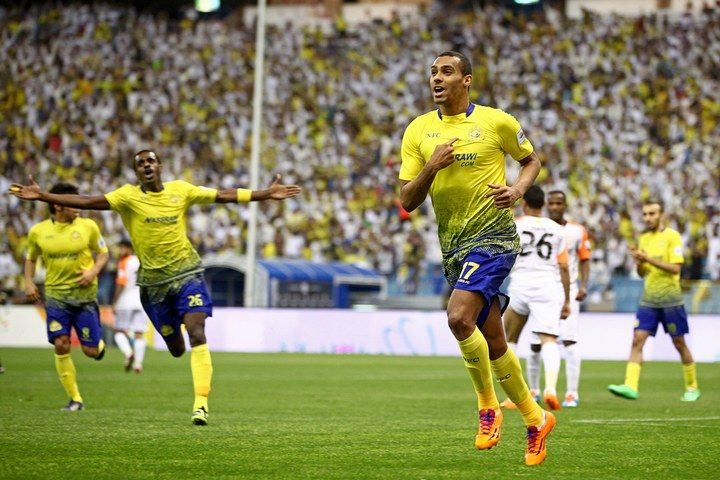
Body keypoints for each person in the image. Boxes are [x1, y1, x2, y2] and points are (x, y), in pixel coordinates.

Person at [10, 150, 301, 425]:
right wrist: (43, 196)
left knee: (197, 332)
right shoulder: (127, 197)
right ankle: (171, 339)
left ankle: (200, 404)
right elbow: (88, 201)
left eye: (151, 161)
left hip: (187, 274)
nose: (146, 165)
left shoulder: (181, 190)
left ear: (159, 166)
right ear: (137, 172)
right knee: (176, 348)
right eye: (140, 163)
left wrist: (264, 194)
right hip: (154, 286)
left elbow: (223, 195)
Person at [398, 51, 554, 466]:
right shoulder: (418, 130)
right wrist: (431, 167)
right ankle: (537, 420)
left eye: (446, 72)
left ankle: (487, 407)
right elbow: (407, 199)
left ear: (466, 80)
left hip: (494, 238)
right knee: (495, 342)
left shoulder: (495, 121)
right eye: (433, 72)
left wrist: (517, 190)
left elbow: (531, 160)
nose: (437, 78)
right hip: (454, 245)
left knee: (457, 318)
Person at [23, 182, 109, 411]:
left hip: (84, 298)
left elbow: (103, 253)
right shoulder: (38, 231)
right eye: (72, 202)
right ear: (58, 205)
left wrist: (93, 271)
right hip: (56, 297)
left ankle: (98, 345)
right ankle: (75, 399)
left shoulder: (89, 226)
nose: (78, 206)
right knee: (61, 344)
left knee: (91, 351)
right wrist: (28, 281)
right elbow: (31, 258)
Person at [608, 200, 700, 402]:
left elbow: (675, 268)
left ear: (661, 215)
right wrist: (639, 262)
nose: (648, 218)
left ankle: (692, 387)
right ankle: (630, 386)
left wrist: (648, 259)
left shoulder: (672, 236)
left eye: (652, 213)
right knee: (637, 339)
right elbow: (643, 273)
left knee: (679, 343)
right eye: (645, 214)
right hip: (649, 300)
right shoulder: (644, 238)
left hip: (671, 300)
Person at [500, 186, 571, 412]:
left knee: (510, 338)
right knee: (549, 339)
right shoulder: (558, 230)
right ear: (543, 204)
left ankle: (514, 396)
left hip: (521, 282)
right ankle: (550, 389)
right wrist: (567, 299)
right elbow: (564, 266)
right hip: (547, 285)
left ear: (524, 204)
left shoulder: (515, 225)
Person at [546, 190, 591, 407]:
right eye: (551, 203)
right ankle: (534, 391)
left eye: (559, 203)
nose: (555, 207)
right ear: (546, 205)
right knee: (538, 342)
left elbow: (585, 258)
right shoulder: (541, 228)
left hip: (569, 290)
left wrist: (583, 285)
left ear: (565, 205)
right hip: (544, 289)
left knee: (569, 340)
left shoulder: (577, 231)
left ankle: (572, 393)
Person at [112, 239, 147, 373]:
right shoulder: (140, 261)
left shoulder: (123, 262)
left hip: (125, 301)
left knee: (119, 331)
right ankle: (138, 363)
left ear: (129, 248)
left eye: (122, 248)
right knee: (139, 333)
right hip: (140, 301)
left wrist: (115, 301)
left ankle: (128, 353)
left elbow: (121, 283)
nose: (120, 251)